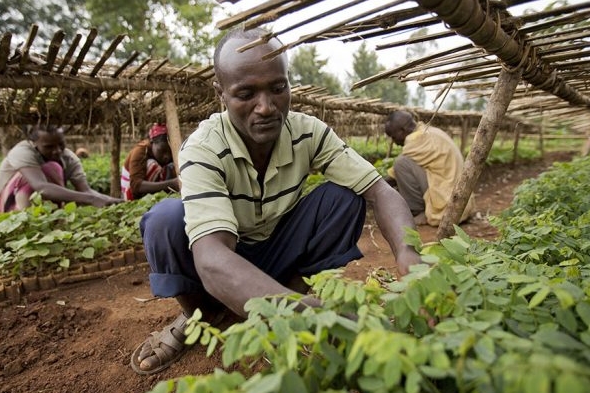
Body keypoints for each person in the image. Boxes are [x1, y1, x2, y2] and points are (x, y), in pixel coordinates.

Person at [130, 27, 421, 375]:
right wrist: (306, 314)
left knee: (345, 196)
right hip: (227, 254)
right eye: (246, 93)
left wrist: (409, 254)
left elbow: (381, 191)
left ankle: (286, 293)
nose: (266, 107)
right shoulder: (203, 148)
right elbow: (211, 258)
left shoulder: (308, 132)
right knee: (164, 219)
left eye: (278, 88)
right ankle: (200, 315)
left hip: (281, 247)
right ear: (220, 93)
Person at [0, 125, 122, 214]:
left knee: (55, 167)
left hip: (43, 208)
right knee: (51, 168)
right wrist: (91, 199)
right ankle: (26, 219)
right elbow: (41, 187)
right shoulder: (22, 151)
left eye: (61, 144)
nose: (57, 151)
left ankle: (51, 219)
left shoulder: (69, 157)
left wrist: (112, 202)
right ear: (34, 144)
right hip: (6, 209)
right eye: (49, 146)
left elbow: (85, 190)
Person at [384, 110, 476, 226]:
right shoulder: (431, 131)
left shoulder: (415, 139)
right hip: (461, 199)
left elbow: (393, 176)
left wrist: (371, 187)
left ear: (402, 131)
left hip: (446, 202)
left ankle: (418, 211)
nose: (394, 142)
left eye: (393, 136)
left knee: (401, 164)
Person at [120, 123, 179, 201]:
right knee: (153, 166)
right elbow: (136, 185)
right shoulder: (140, 151)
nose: (167, 156)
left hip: (150, 193)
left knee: (172, 167)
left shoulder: (166, 155)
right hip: (131, 195)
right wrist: (172, 183)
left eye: (170, 151)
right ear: (152, 142)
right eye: (163, 151)